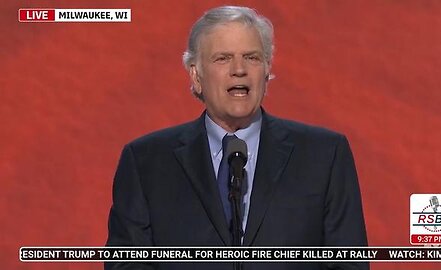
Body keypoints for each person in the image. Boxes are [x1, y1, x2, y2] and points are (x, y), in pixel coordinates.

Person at [106, 5, 368, 270]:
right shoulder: (146, 162)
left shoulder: (324, 155)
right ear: (196, 76)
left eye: (252, 57)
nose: (239, 69)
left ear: (266, 71)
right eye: (223, 58)